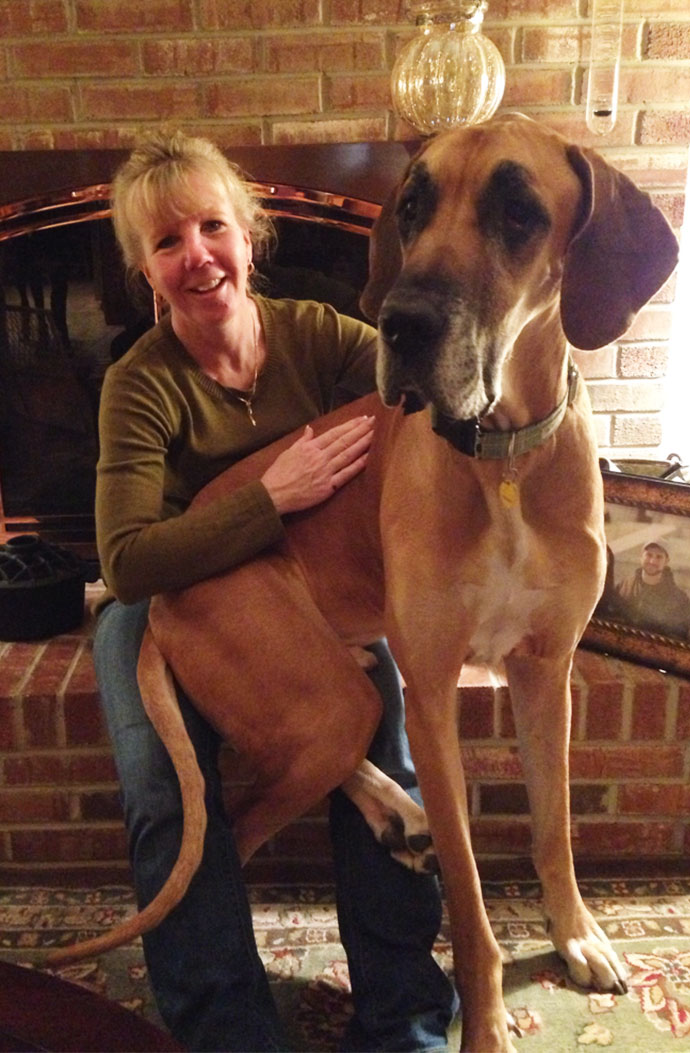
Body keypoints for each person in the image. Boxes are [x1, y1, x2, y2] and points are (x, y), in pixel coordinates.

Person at [94, 129, 456, 1053]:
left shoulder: (320, 336)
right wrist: (269, 498)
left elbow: (422, 410)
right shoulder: (139, 382)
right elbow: (129, 559)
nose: (196, 256)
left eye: (212, 226)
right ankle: (229, 1033)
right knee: (163, 791)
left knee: (386, 737)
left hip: (306, 587)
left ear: (250, 237)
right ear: (146, 268)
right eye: (167, 241)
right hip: (157, 594)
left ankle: (405, 1016)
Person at [616, 540, 690, 638]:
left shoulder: (679, 599)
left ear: (666, 561)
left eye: (659, 557)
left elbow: (683, 635)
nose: (652, 561)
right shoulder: (624, 586)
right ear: (641, 557)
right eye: (649, 555)